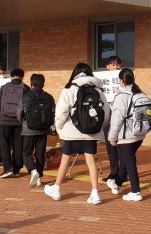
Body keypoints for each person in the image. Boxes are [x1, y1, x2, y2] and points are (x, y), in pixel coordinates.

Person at [44, 63, 111, 204]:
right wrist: (100, 126)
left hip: (72, 131)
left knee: (65, 160)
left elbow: (61, 111)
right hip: (91, 132)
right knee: (91, 161)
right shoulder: (98, 90)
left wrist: (59, 127)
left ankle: (56, 189)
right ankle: (95, 193)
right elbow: (106, 112)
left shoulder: (70, 88)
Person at [106, 68, 147, 201]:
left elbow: (117, 119)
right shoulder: (140, 93)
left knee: (129, 162)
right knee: (125, 159)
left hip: (127, 134)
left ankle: (135, 191)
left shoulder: (121, 96)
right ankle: (117, 183)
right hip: (140, 133)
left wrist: (112, 137)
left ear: (122, 81)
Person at [17, 74, 55, 188]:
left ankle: (33, 170)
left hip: (28, 129)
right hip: (43, 129)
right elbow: (53, 112)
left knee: (26, 152)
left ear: (31, 84)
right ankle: (39, 177)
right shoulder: (49, 97)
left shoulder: (25, 97)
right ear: (43, 84)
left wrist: (24, 123)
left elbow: (19, 114)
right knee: (40, 154)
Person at [0, 68, 29, 178]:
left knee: (5, 144)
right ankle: (16, 169)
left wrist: (2, 116)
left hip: (4, 120)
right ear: (22, 77)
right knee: (18, 145)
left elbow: (0, 104)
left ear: (11, 76)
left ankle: (7, 168)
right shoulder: (25, 88)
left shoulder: (4, 87)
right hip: (19, 121)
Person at [101, 55, 122, 184]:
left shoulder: (124, 78)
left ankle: (123, 173)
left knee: (122, 147)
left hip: (121, 118)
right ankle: (114, 172)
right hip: (108, 117)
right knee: (110, 147)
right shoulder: (101, 81)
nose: (116, 67)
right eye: (113, 65)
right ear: (107, 67)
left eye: (118, 64)